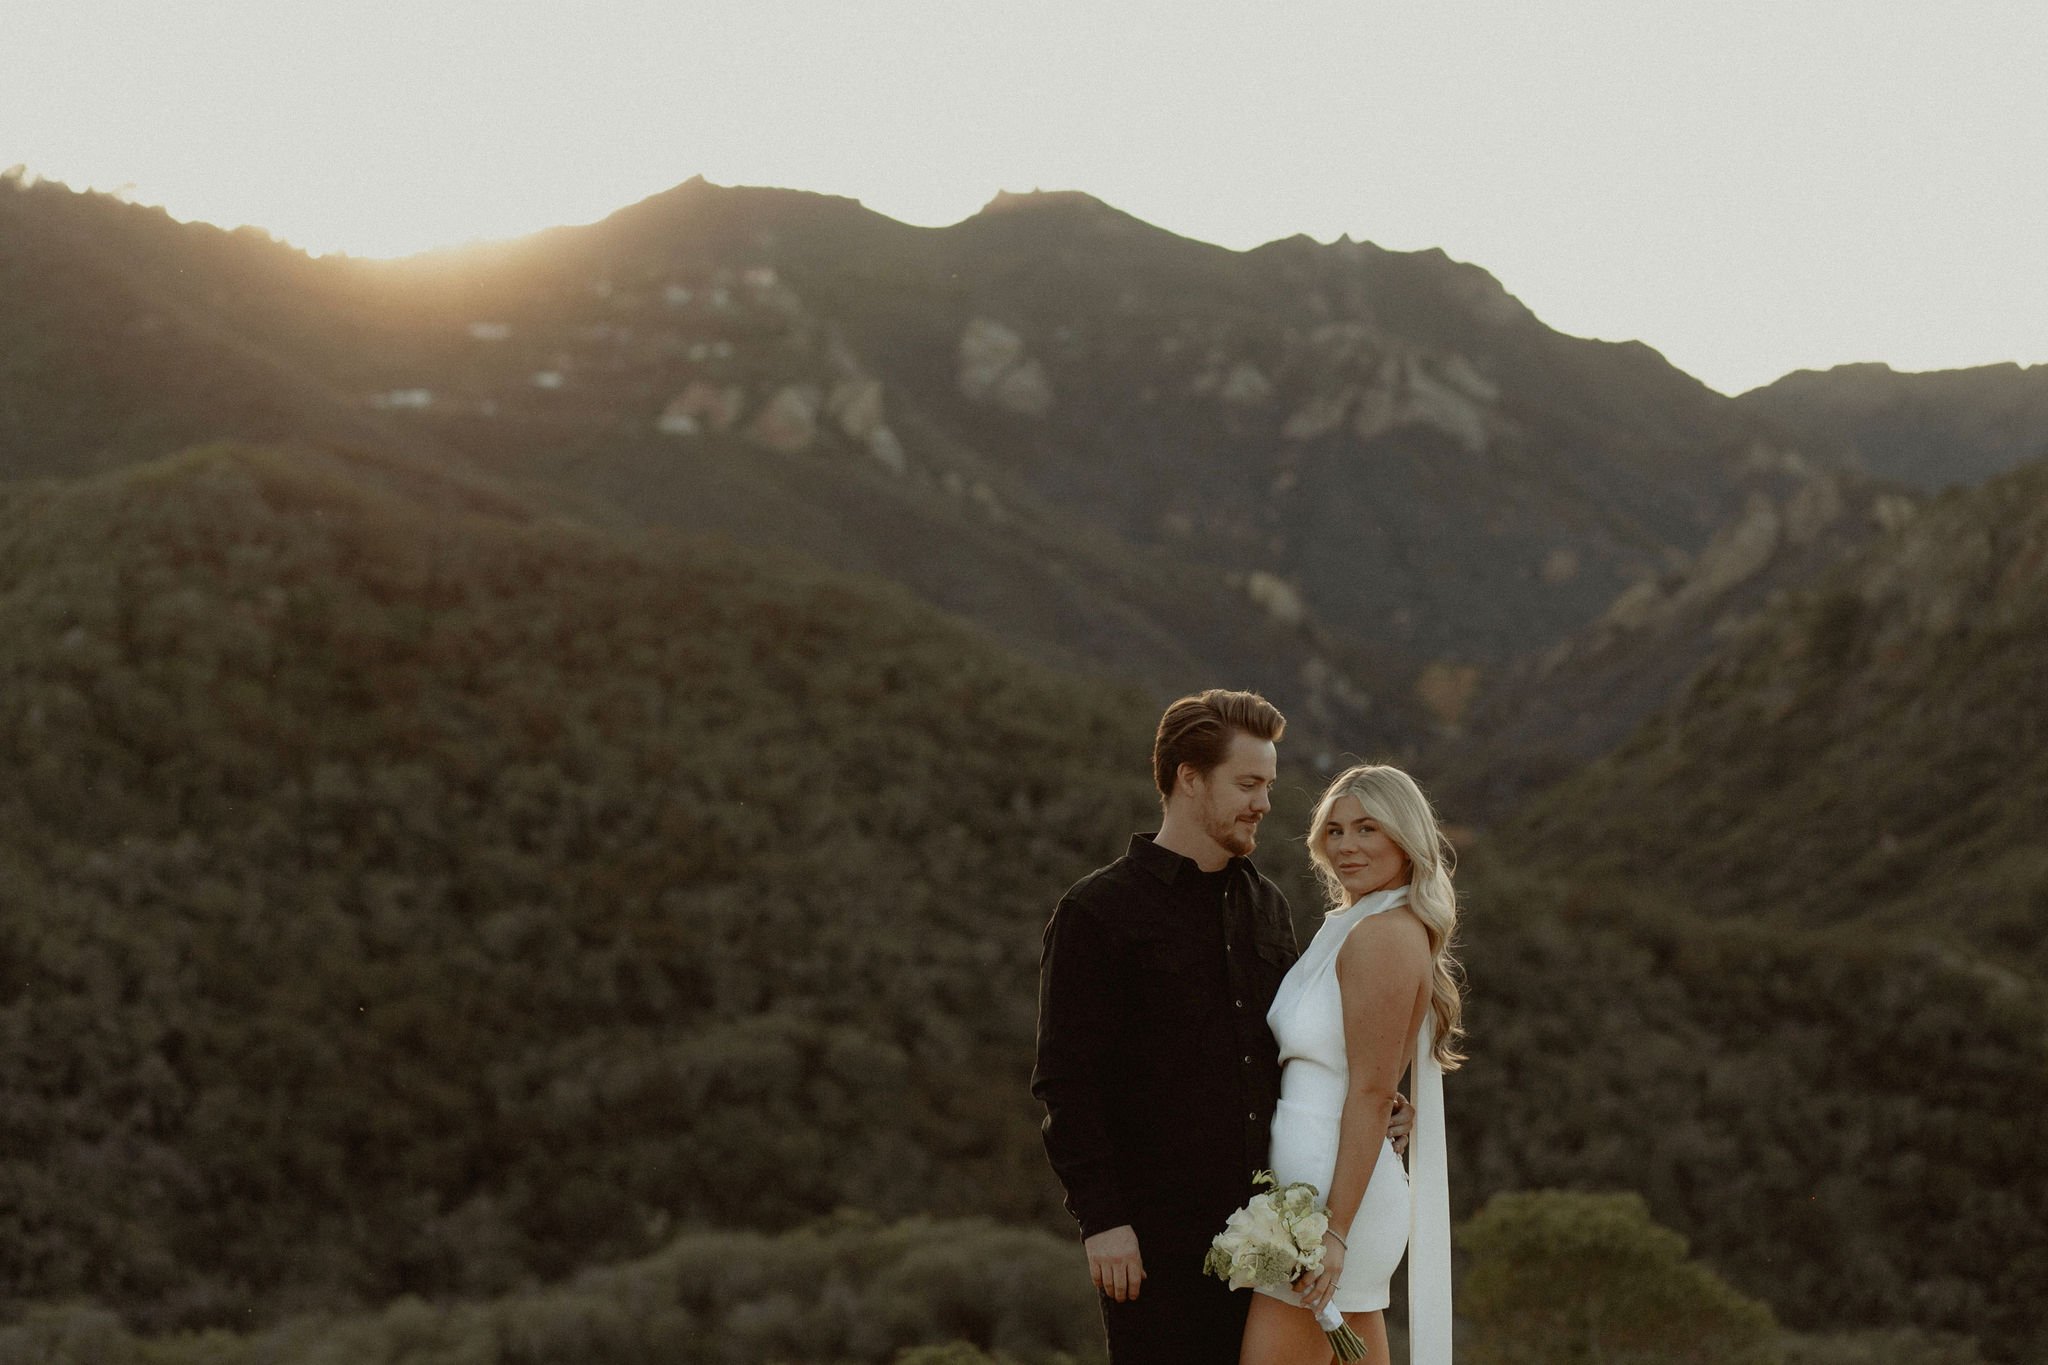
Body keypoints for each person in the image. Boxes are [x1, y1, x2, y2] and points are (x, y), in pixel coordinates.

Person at [1031, 691, 1412, 1365]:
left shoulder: (1266, 905)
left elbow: (1294, 1048)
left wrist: (1381, 1103)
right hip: (1156, 1243)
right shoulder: (1098, 912)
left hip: (1272, 1235)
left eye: (1267, 783)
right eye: (1247, 783)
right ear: (1188, 778)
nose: (1265, 802)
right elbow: (1067, 1082)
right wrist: (1104, 1220)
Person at [1240, 763, 1463, 1365]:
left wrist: (1332, 1231)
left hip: (1332, 1209)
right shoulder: (1349, 924)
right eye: (1334, 831)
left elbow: (1367, 1092)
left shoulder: (1384, 934)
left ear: (1404, 837)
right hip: (1317, 1193)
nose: (1346, 845)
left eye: (1367, 828)